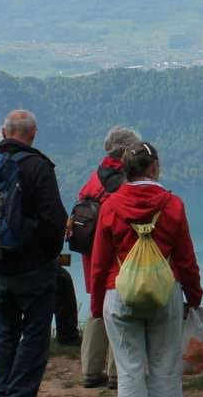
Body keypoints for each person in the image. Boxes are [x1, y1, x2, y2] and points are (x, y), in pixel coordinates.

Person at [90, 141, 202, 397]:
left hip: (119, 294)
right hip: (165, 294)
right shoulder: (172, 204)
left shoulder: (110, 206)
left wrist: (97, 305)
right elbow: (186, 259)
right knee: (166, 371)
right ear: (154, 167)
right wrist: (194, 297)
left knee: (129, 371)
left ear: (125, 170)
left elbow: (99, 263)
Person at [0, 110, 68, 397]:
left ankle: (3, 391)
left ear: (4, 133)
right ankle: (19, 393)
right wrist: (48, 257)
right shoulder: (37, 166)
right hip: (33, 269)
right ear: (33, 134)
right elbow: (54, 218)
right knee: (35, 335)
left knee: (5, 333)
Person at [74, 125, 140, 389]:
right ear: (125, 150)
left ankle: (90, 370)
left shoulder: (94, 177)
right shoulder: (125, 179)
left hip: (91, 252)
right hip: (117, 252)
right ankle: (116, 372)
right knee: (119, 306)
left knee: (97, 306)